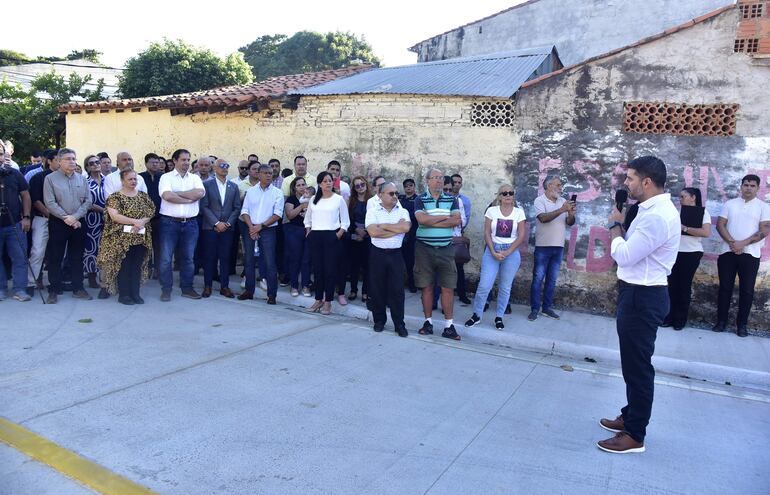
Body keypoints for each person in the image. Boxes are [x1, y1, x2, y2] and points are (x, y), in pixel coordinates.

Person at [598, 156, 680, 454]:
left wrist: (615, 227)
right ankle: (630, 415)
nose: (626, 183)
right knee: (633, 364)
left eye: (630, 178)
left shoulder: (657, 216)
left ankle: (635, 435)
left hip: (643, 296)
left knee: (638, 368)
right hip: (638, 292)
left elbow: (626, 255)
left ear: (646, 182)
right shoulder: (649, 210)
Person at [713, 174, 770, 336]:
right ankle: (721, 322)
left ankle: (741, 326)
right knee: (725, 288)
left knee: (747, 290)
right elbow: (720, 225)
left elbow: (764, 230)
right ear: (741, 186)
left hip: (750, 254)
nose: (748, 188)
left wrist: (742, 244)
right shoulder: (730, 204)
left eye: (752, 186)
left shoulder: (763, 207)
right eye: (746, 185)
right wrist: (732, 243)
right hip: (727, 252)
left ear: (758, 188)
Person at [465, 185, 526, 330]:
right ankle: (476, 315)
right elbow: (486, 233)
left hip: (511, 253)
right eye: (504, 193)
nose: (508, 195)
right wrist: (492, 251)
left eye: (511, 193)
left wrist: (508, 251)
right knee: (484, 285)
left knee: (505, 287)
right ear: (499, 196)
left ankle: (499, 317)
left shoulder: (519, 212)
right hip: (492, 250)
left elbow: (521, 235)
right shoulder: (492, 211)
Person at [414, 169, 462, 340]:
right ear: (427, 180)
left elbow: (456, 220)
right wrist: (444, 219)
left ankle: (449, 326)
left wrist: (431, 221)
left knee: (448, 287)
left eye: (441, 178)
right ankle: (428, 323)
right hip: (424, 249)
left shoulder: (452, 199)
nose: (439, 181)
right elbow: (421, 220)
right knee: (426, 286)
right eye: (435, 178)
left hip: (446, 249)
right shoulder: (420, 199)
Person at [97, 170, 155, 305]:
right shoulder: (115, 197)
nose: (133, 182)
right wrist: (134, 221)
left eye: (135, 179)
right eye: (130, 179)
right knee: (124, 266)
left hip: (140, 237)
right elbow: (114, 216)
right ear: (122, 181)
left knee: (136, 266)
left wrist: (142, 222)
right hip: (121, 239)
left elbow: (151, 211)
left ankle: (135, 293)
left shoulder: (143, 196)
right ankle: (124, 295)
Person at [43, 148, 93, 303]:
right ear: (59, 161)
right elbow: (50, 202)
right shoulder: (50, 179)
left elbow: (88, 201)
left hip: (78, 222)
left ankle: (78, 288)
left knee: (77, 257)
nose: (72, 161)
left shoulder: (82, 179)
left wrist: (75, 217)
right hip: (59, 222)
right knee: (55, 257)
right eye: (68, 159)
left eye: (73, 158)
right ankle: (54, 289)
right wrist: (67, 218)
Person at [158, 148, 205, 301]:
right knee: (166, 258)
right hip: (169, 223)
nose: (186, 163)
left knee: (188, 258)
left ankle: (187, 288)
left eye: (188, 160)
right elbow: (166, 195)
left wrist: (176, 193)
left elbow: (199, 194)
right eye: (183, 160)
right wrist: (187, 198)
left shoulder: (195, 178)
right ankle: (166, 289)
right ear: (175, 161)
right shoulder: (166, 177)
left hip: (190, 223)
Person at [661, 188, 711, 330]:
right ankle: (668, 317)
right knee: (671, 285)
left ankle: (680, 320)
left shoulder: (703, 213)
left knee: (683, 286)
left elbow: (706, 232)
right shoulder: (677, 212)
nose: (680, 199)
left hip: (691, 253)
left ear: (693, 197)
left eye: (683, 196)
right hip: (674, 252)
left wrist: (684, 228)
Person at [366, 182, 411, 337]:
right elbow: (373, 232)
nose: (395, 196)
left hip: (396, 255)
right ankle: (379, 321)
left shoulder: (403, 211)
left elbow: (406, 228)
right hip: (377, 254)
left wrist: (384, 226)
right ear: (381, 195)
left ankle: (399, 324)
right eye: (391, 193)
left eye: (396, 193)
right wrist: (395, 229)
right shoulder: (372, 211)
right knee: (377, 288)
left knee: (397, 290)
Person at [528, 175, 576, 321]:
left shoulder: (563, 201)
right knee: (537, 279)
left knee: (552, 280)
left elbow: (570, 222)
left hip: (558, 246)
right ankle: (535, 309)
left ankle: (546, 308)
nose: (561, 188)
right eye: (558, 185)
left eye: (561, 185)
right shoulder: (539, 200)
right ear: (549, 186)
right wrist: (562, 210)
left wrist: (571, 213)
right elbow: (543, 218)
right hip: (543, 247)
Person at [304, 171, 350, 315]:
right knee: (318, 270)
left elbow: (345, 221)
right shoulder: (313, 200)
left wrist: (338, 235)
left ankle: (328, 302)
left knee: (330, 270)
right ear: (319, 184)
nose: (328, 183)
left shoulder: (338, 199)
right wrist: (308, 231)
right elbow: (307, 218)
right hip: (316, 236)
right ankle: (318, 299)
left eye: (330, 180)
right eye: (324, 181)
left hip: (332, 236)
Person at [239, 164, 284, 304]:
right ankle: (249, 291)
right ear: (258, 174)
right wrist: (252, 227)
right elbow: (244, 211)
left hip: (268, 230)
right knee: (249, 260)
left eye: (270, 173)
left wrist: (260, 226)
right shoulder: (251, 191)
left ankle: (272, 295)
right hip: (250, 228)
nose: (269, 175)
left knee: (270, 262)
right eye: (265, 173)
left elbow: (278, 214)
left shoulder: (277, 192)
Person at [200, 159, 242, 298]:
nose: (224, 168)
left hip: (227, 228)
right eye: (222, 166)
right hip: (210, 228)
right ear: (215, 168)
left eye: (227, 166)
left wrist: (228, 223)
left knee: (225, 257)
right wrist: (216, 223)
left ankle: (225, 286)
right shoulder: (207, 185)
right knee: (209, 257)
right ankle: (208, 285)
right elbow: (204, 206)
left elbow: (237, 208)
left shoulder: (233, 186)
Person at [0, 141, 32, 301]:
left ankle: (20, 289)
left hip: (15, 223)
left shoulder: (14, 173)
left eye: (0, 154)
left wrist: (26, 217)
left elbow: (25, 195)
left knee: (20, 257)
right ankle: (1, 289)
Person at [27, 150, 58, 291]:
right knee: (38, 251)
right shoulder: (38, 177)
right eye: (58, 159)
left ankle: (55, 282)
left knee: (56, 253)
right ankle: (31, 283)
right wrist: (51, 214)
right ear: (49, 161)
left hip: (61, 221)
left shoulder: (65, 178)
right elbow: (36, 200)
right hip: (42, 219)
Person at [284, 177, 312, 297]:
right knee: (295, 259)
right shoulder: (291, 199)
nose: (302, 187)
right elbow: (290, 215)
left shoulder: (312, 198)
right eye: (299, 185)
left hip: (308, 231)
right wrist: (302, 206)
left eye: (303, 184)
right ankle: (294, 286)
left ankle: (306, 286)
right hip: (294, 231)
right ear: (294, 188)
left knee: (306, 260)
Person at [83, 155, 107, 291]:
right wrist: (102, 210)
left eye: (97, 162)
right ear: (87, 167)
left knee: (106, 247)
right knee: (92, 248)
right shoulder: (85, 182)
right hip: (92, 219)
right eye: (91, 163)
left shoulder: (107, 180)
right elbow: (85, 201)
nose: (95, 165)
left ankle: (105, 276)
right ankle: (92, 276)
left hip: (109, 218)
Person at [139, 153, 164, 279]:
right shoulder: (140, 177)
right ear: (146, 163)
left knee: (159, 246)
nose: (155, 164)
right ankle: (147, 269)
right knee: (146, 246)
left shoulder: (164, 177)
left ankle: (159, 270)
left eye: (157, 162)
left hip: (160, 218)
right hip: (145, 219)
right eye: (152, 162)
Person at [347, 176, 372, 302]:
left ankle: (365, 292)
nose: (360, 187)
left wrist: (365, 232)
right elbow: (349, 219)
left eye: (362, 184)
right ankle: (353, 290)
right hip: (354, 236)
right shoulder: (351, 201)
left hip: (368, 236)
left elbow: (374, 219)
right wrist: (357, 231)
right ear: (354, 188)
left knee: (367, 266)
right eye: (357, 186)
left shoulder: (372, 201)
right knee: (354, 266)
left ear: (366, 184)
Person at [398, 178, 419, 293]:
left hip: (412, 234)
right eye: (406, 186)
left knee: (410, 261)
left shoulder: (417, 199)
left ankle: (412, 283)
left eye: (411, 185)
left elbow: (415, 215)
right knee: (399, 260)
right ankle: (400, 282)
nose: (408, 188)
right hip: (399, 233)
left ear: (414, 186)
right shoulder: (400, 199)